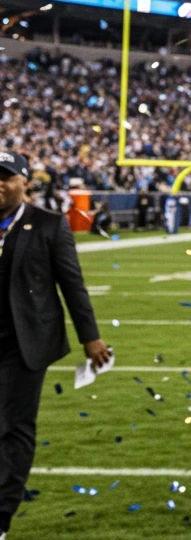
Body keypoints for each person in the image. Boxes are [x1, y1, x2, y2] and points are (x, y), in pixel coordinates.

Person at [0, 151, 111, 539]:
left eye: (7, 177)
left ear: (25, 182)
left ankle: (2, 515)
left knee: (13, 427)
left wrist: (90, 337)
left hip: (24, 343)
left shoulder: (48, 224)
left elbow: (71, 283)